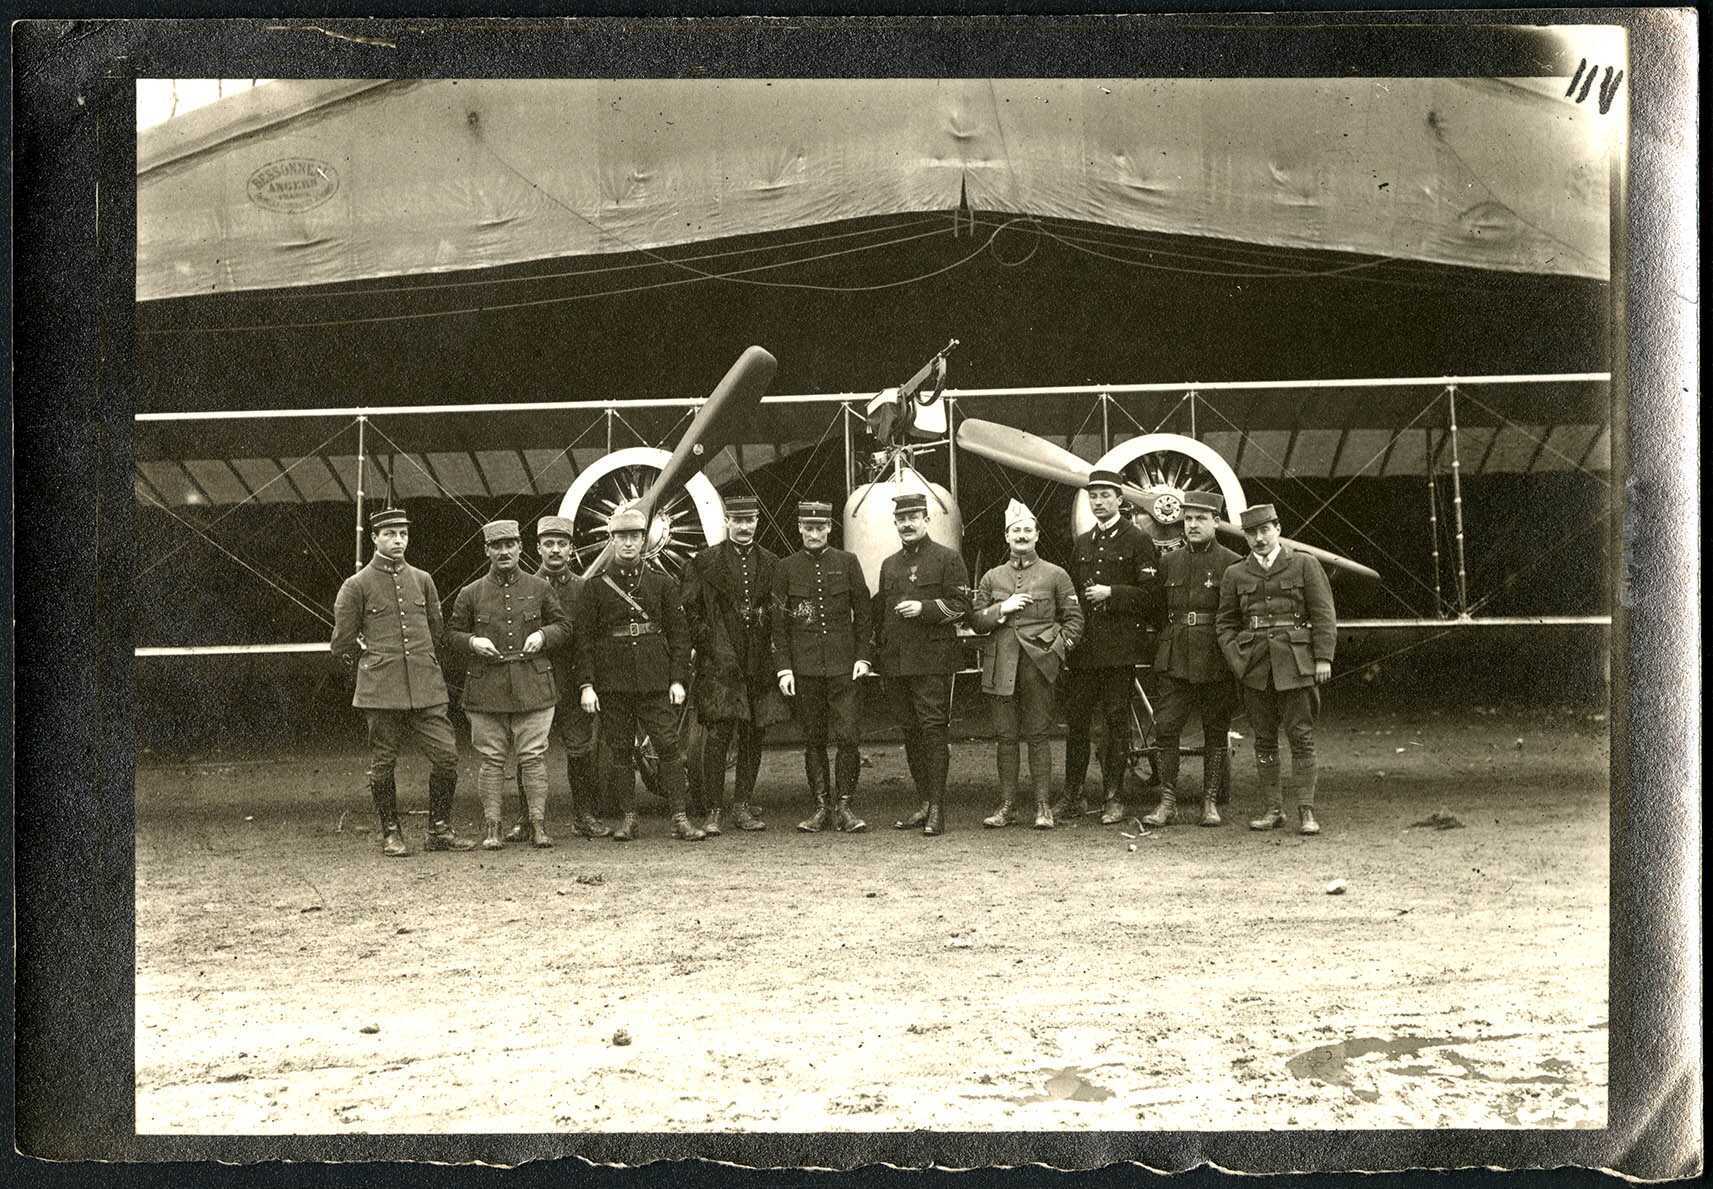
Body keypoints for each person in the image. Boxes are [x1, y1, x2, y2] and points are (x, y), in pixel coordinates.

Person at [331, 506, 474, 856]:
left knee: (446, 757)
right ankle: (390, 833)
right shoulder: (357, 586)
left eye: (403, 534)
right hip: (381, 691)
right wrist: (372, 668)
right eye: (391, 535)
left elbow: (436, 631)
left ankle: (439, 830)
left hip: (426, 688)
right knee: (383, 762)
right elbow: (342, 644)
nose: (398, 541)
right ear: (375, 538)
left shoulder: (423, 580)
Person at [574, 505, 701, 842]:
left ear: (644, 540)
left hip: (654, 679)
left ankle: (679, 818)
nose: (628, 543)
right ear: (611, 540)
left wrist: (678, 679)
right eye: (621, 537)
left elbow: (679, 634)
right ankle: (629, 818)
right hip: (612, 682)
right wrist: (587, 684)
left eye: (634, 537)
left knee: (668, 745)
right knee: (619, 750)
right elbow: (584, 641)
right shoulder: (596, 587)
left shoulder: (662, 584)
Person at [446, 520, 570, 850]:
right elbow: (451, 635)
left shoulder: (540, 588)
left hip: (533, 687)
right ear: (487, 551)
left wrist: (543, 635)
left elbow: (563, 626)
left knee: (532, 758)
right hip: (487, 689)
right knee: (491, 760)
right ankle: (492, 827)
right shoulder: (470, 593)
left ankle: (538, 826)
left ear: (520, 548)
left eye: (510, 545)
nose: (504, 552)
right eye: (497, 547)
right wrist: (473, 642)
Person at [1215, 503, 1337, 836]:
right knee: (1264, 739)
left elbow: (1324, 615)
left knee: (1301, 737)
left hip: (1296, 665)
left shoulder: (1304, 564)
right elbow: (1224, 622)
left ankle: (1306, 811)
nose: (1259, 539)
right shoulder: (1235, 574)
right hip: (1255, 667)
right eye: (1251, 533)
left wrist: (1323, 658)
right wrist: (1236, 659)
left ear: (1278, 529)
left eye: (1265, 530)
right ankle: (1273, 809)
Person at [970, 499, 1084, 829]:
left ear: (1037, 535)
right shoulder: (993, 577)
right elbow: (976, 620)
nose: (1022, 535)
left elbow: (1075, 619)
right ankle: (1007, 806)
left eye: (1027, 530)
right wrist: (1002, 609)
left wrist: (1059, 649)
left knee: (1038, 735)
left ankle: (1042, 807)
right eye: (1015, 530)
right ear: (1006, 537)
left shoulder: (1055, 574)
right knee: (1006, 737)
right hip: (1000, 666)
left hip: (1039, 665)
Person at [497, 516, 610, 842]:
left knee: (580, 749)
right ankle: (525, 819)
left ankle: (584, 816)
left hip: (572, 681)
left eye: (562, 544)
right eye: (549, 544)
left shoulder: (584, 588)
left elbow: (589, 639)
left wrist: (587, 682)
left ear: (572, 549)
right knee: (528, 751)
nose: (555, 550)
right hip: (534, 680)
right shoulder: (523, 587)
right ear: (537, 548)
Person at [1059, 469, 1162, 825]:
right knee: (1077, 721)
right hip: (1085, 650)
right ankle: (1073, 796)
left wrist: (1113, 594)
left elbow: (1152, 596)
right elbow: (1072, 596)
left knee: (1117, 721)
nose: (1098, 501)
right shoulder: (1083, 543)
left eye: (1105, 495)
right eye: (1094, 495)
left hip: (1120, 649)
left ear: (1120, 500)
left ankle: (1114, 798)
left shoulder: (1138, 540)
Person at [770, 500, 874, 833]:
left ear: (830, 528)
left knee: (848, 737)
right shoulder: (785, 568)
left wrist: (863, 656)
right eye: (808, 528)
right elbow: (778, 625)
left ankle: (844, 807)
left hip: (845, 667)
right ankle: (820, 808)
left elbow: (864, 614)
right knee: (813, 740)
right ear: (799, 528)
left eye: (820, 528)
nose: (814, 534)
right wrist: (784, 668)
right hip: (805, 669)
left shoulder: (847, 562)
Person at [681, 494, 782, 835]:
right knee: (720, 734)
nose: (743, 527)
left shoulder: (770, 562)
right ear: (727, 522)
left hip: (757, 660)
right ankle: (713, 810)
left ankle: (742, 807)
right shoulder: (704, 562)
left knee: (754, 735)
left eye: (750, 520)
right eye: (737, 521)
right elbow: (690, 611)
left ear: (757, 522)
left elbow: (778, 609)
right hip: (720, 661)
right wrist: (708, 644)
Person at [875, 492, 971, 837]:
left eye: (914, 517)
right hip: (898, 665)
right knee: (911, 734)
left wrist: (925, 609)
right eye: (901, 519)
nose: (907, 524)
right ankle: (924, 803)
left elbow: (962, 606)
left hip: (932, 662)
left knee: (933, 733)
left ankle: (938, 810)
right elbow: (882, 614)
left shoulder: (947, 559)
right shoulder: (889, 564)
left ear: (927, 520)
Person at [1144, 490, 1241, 827]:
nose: (1193, 525)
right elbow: (1157, 610)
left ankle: (1210, 802)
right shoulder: (1169, 561)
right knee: (1166, 727)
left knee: (1216, 729)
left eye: (1201, 518)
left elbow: (1236, 615)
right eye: (1188, 519)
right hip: (1174, 656)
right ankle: (1167, 802)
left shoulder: (1231, 563)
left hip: (1215, 656)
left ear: (1216, 521)